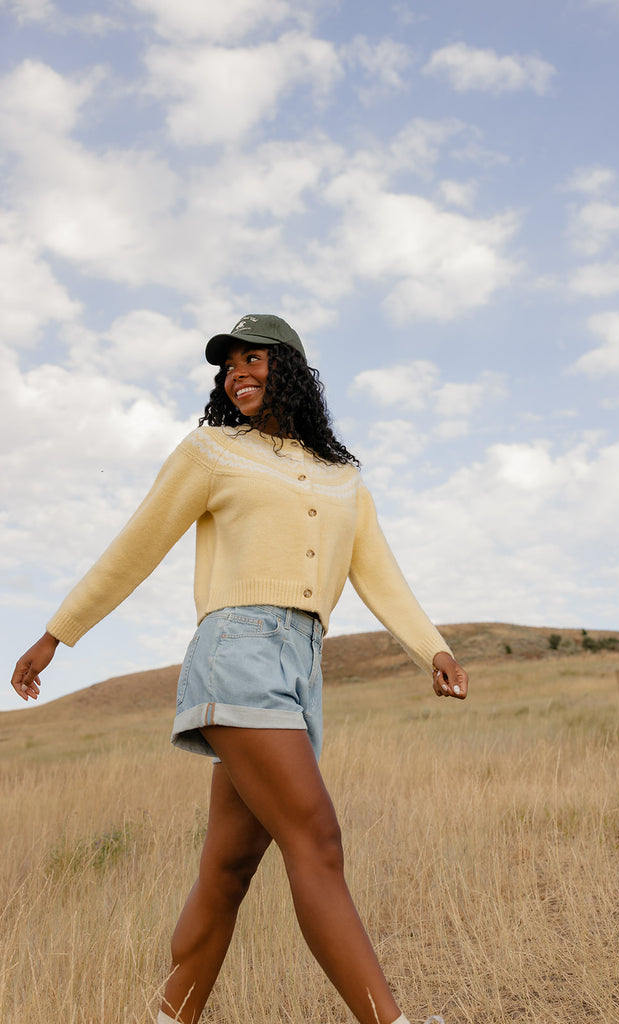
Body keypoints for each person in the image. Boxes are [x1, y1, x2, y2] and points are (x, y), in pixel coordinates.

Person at [11, 314, 468, 1024]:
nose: (237, 375)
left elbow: (379, 573)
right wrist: (56, 634)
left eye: (253, 359)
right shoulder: (212, 451)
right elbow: (136, 544)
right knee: (317, 840)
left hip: (303, 668)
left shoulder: (344, 480)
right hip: (238, 651)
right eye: (228, 367)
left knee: (227, 872)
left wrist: (431, 648)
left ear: (290, 370)